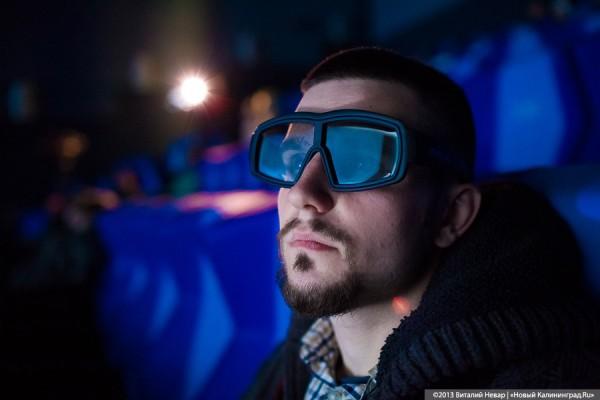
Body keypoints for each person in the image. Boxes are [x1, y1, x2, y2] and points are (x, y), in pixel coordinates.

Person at [244, 47, 600, 399]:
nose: (301, 193)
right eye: (293, 159)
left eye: (359, 161)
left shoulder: (548, 385)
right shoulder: (289, 363)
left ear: (452, 214)